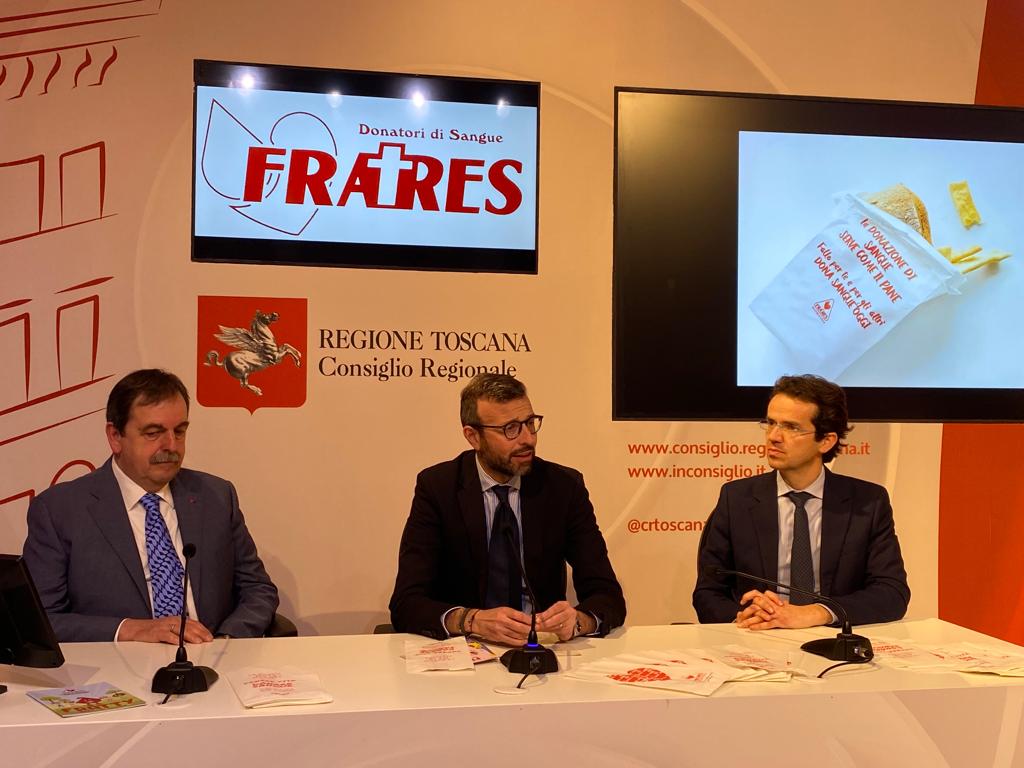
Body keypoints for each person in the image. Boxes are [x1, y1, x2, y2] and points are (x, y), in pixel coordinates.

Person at [23, 369, 279, 643]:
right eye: (153, 433)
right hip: (115, 664)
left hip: (210, 657)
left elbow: (257, 589)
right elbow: (41, 619)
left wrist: (227, 641)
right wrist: (132, 630)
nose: (171, 445)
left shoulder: (216, 496)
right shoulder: (60, 510)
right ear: (115, 436)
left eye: (179, 431)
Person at [389, 373, 625, 644]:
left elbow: (607, 595)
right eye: (510, 429)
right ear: (473, 437)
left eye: (530, 423)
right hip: (467, 650)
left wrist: (579, 621)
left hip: (541, 648)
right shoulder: (438, 488)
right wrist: (471, 620)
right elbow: (406, 603)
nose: (527, 439)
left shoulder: (563, 487)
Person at [692, 374, 910, 629]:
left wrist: (817, 613)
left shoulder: (867, 503)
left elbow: (892, 592)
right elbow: (707, 593)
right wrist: (742, 616)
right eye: (771, 423)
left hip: (831, 638)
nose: (774, 436)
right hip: (759, 638)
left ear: (826, 441)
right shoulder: (736, 498)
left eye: (791, 427)